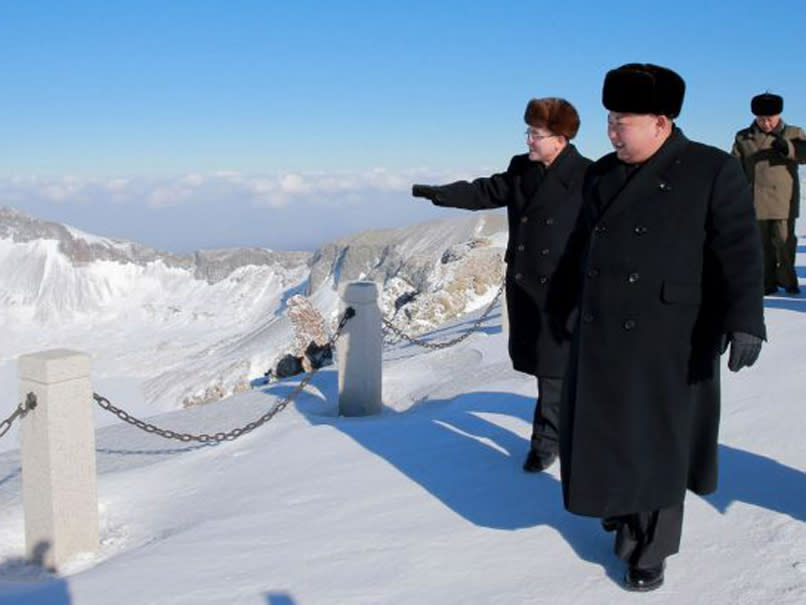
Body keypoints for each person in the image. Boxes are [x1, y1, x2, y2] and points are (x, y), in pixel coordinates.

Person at [547, 64, 766, 592]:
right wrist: (560, 305)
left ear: (661, 122)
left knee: (659, 446)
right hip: (602, 331)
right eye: (609, 120)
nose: (612, 131)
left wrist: (745, 322)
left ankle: (653, 548)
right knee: (610, 435)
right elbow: (580, 247)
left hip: (673, 336)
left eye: (623, 120)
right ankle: (622, 512)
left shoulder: (711, 169)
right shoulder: (600, 173)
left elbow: (738, 250)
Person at [412, 97, 591, 473]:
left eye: (536, 134)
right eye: (528, 132)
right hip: (526, 283)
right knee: (547, 366)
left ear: (560, 138)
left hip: (565, 288)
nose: (528, 140)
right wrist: (440, 194)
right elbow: (486, 192)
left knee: (554, 369)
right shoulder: (521, 169)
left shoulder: (588, 176)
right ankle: (556, 435)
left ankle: (547, 443)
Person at [732, 92, 806, 295]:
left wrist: (788, 148)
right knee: (761, 245)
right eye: (761, 119)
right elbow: (735, 165)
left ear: (779, 114)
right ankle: (767, 282)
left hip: (784, 199)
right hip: (754, 199)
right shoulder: (743, 136)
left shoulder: (793, 132)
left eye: (770, 118)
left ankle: (789, 281)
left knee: (784, 242)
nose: (766, 123)